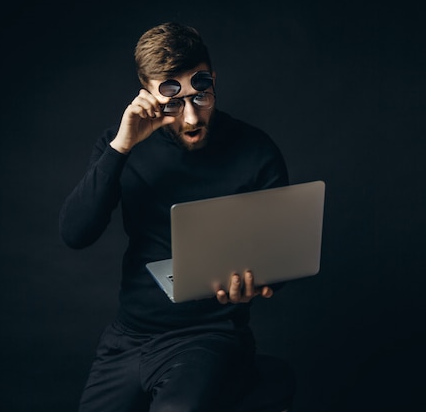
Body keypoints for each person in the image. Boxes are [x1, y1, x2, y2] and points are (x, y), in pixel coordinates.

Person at [59, 22, 293, 412]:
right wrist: (122, 146)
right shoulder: (121, 146)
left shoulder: (256, 151)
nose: (190, 118)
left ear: (213, 79)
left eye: (201, 95)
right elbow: (75, 233)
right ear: (146, 93)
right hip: (126, 338)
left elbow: (282, 256)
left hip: (209, 336)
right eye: (172, 100)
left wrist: (260, 280)